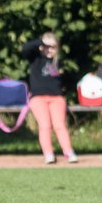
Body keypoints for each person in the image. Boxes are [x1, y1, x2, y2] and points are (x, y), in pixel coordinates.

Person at [22, 32, 77, 164]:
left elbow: (68, 80)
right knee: (45, 125)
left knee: (59, 125)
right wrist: (41, 42)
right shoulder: (35, 59)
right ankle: (48, 153)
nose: (49, 49)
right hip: (38, 98)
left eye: (52, 47)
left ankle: (68, 152)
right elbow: (26, 49)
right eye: (46, 46)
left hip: (56, 98)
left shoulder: (59, 62)